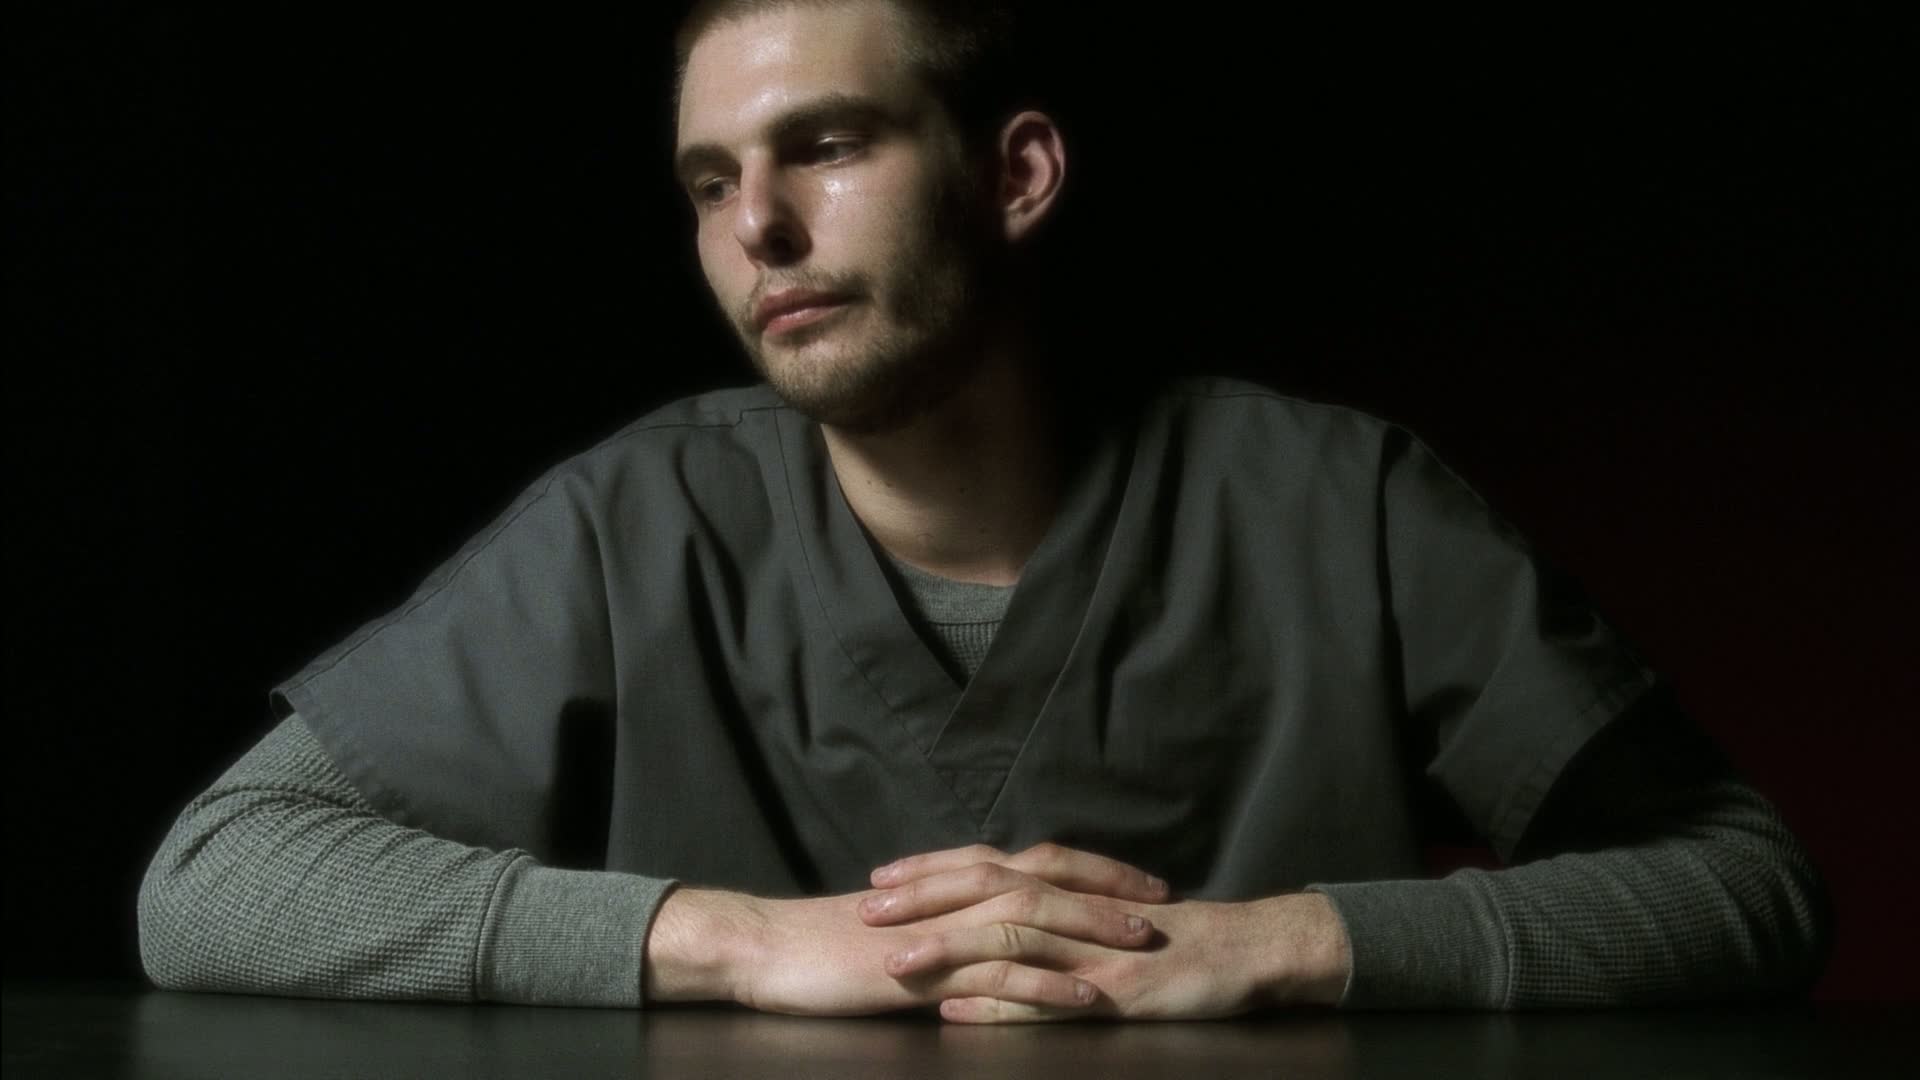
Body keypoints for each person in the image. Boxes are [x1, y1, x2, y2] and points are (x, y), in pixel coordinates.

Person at [138, 0, 1832, 1022]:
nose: (758, 230)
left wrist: (1291, 945)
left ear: (1015, 174)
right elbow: (211, 879)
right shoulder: (635, 521)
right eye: (712, 183)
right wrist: (730, 943)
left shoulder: (1340, 506)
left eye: (826, 146)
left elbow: (1744, 884)